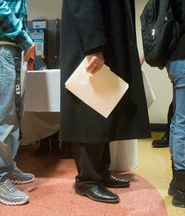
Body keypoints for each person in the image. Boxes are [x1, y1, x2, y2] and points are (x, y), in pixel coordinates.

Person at [60, 0, 151, 204]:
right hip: (91, 47)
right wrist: (94, 46)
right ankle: (87, 180)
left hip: (103, 43)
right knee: (89, 113)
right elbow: (84, 4)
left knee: (104, 110)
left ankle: (100, 171)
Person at [0, 0, 35, 206]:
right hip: (0, 49)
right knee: (2, 115)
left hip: (10, 50)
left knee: (12, 116)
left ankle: (7, 168)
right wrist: (25, 38)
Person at [166, 0, 185, 208]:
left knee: (177, 121)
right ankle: (182, 190)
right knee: (182, 123)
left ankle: (176, 182)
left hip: (175, 60)